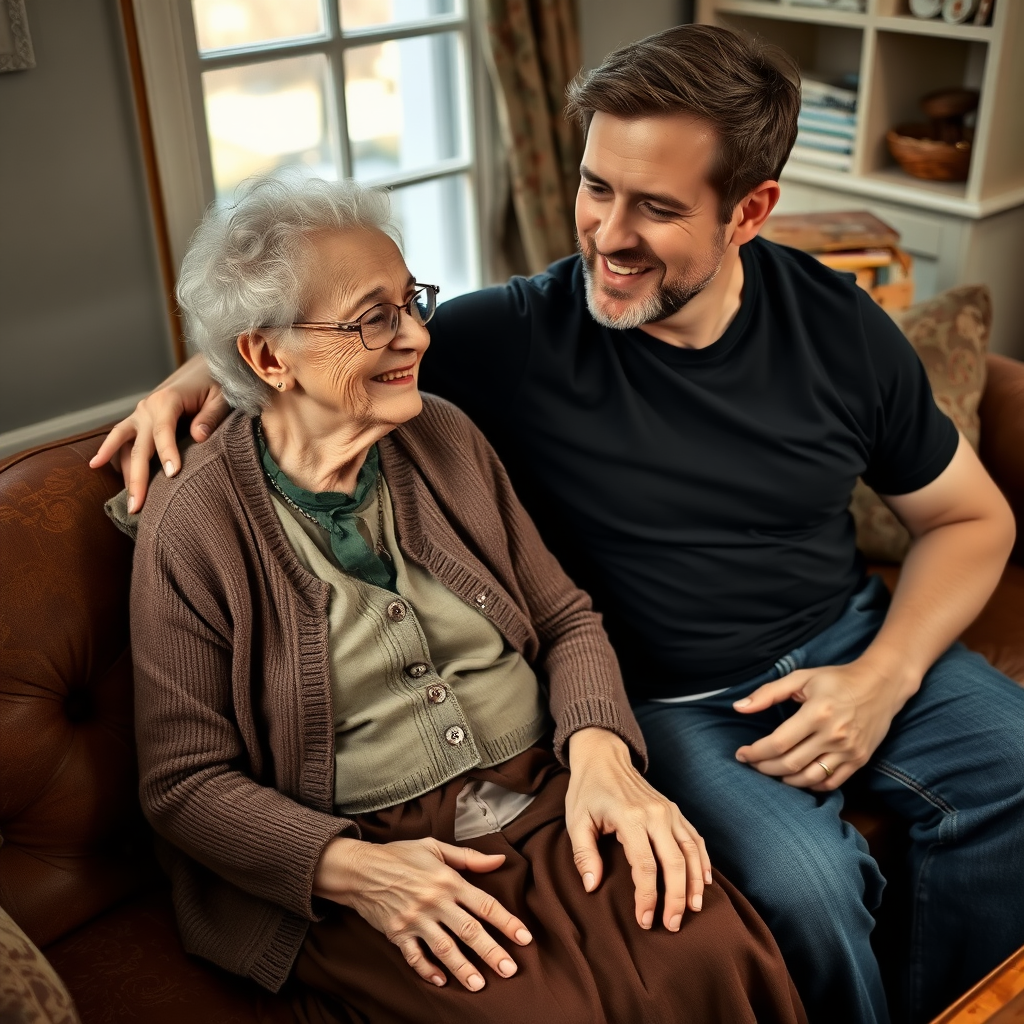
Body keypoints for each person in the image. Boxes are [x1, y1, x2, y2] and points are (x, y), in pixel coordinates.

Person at [96, 24, 1024, 1024]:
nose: (606, 235)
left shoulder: (839, 328)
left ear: (749, 210)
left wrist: (880, 679)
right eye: (595, 186)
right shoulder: (515, 337)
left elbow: (970, 519)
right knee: (805, 892)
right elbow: (318, 345)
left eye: (657, 207)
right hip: (678, 699)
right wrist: (199, 373)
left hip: (850, 637)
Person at [125, 173, 807, 1024]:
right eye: (374, 317)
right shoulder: (195, 524)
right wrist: (354, 869)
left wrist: (600, 754)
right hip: (374, 852)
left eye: (412, 301)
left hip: (549, 791)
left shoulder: (442, 434)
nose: (413, 334)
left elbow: (564, 618)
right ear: (268, 358)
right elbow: (185, 784)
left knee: (711, 948)